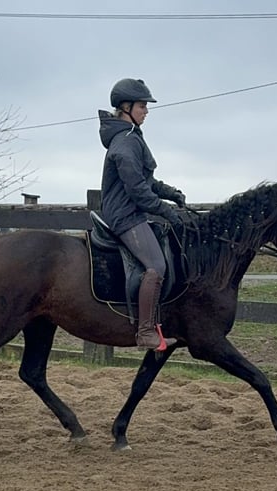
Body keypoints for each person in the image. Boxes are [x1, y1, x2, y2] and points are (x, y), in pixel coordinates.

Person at [98, 78, 186, 351]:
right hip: (125, 216)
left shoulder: (130, 137)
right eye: (142, 106)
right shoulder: (125, 142)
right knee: (156, 266)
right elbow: (137, 189)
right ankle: (146, 333)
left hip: (129, 211)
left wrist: (171, 193)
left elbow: (146, 181)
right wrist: (165, 211)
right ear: (126, 107)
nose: (146, 110)